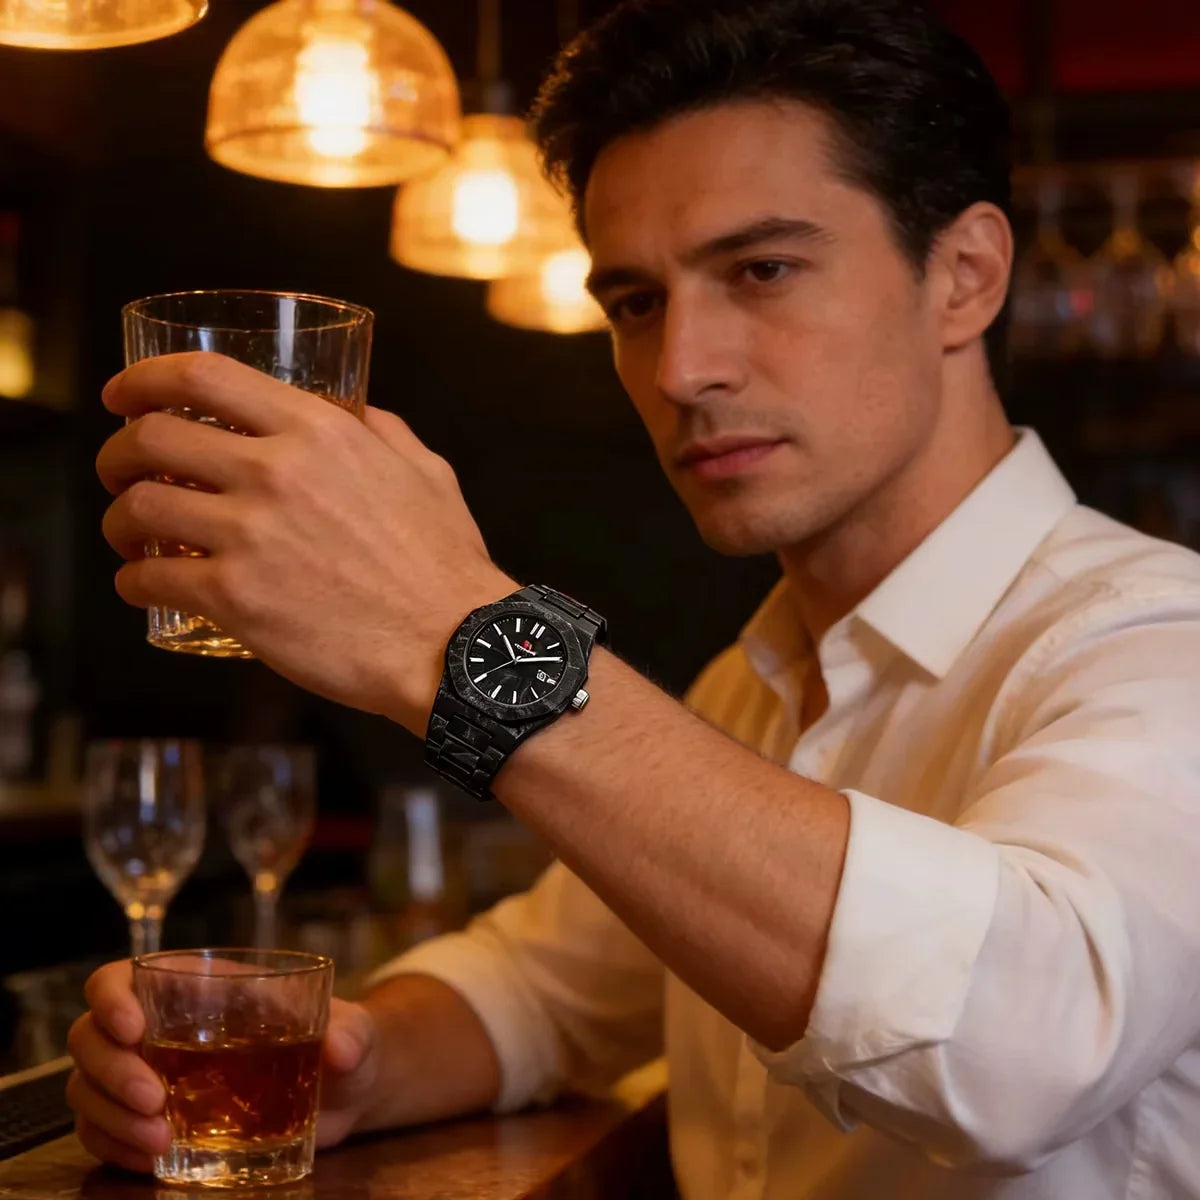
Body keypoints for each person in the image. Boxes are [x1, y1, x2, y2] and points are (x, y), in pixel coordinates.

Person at [66, 0, 1200, 1195]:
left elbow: (1017, 1041)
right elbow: (547, 992)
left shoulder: (1152, 641)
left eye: (762, 270)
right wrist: (354, 1062)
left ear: (965, 277)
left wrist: (463, 638)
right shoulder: (749, 688)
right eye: (636, 302)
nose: (679, 369)